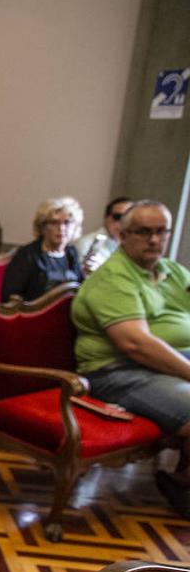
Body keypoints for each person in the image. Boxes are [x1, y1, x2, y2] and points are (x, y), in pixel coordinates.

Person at [72, 200, 190, 519]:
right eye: (143, 232)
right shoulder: (114, 278)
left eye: (160, 231)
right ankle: (182, 483)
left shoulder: (173, 272)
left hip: (171, 362)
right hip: (120, 372)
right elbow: (136, 344)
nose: (154, 240)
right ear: (123, 236)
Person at [0, 197, 85, 302]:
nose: (61, 229)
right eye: (54, 223)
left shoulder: (71, 253)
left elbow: (81, 290)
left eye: (67, 223)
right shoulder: (28, 255)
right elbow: (9, 298)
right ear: (42, 227)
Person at [71, 196, 134, 275]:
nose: (123, 223)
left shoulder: (136, 247)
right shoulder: (86, 243)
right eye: (118, 217)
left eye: (129, 219)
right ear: (106, 218)